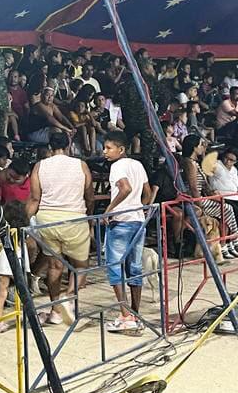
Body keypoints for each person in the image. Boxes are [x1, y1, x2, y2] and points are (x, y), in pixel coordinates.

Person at [28, 131, 92, 325]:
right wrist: (88, 218)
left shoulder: (39, 166)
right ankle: (68, 296)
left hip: (47, 219)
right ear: (68, 145)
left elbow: (35, 198)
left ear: (50, 147)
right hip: (74, 218)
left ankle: (55, 311)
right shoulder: (80, 165)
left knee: (54, 266)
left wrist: (23, 220)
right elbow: (89, 196)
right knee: (81, 266)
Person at [102, 132, 153, 333]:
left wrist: (109, 210)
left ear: (121, 149)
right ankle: (135, 313)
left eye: (109, 148)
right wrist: (140, 208)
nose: (105, 151)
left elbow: (125, 188)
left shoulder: (117, 166)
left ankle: (125, 316)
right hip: (138, 220)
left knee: (115, 267)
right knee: (135, 267)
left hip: (121, 221)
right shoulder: (137, 165)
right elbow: (147, 193)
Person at [0, 202, 34, 335]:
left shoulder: (2, 227)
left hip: (3, 260)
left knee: (2, 293)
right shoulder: (23, 228)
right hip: (18, 259)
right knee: (24, 291)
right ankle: (28, 317)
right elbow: (27, 242)